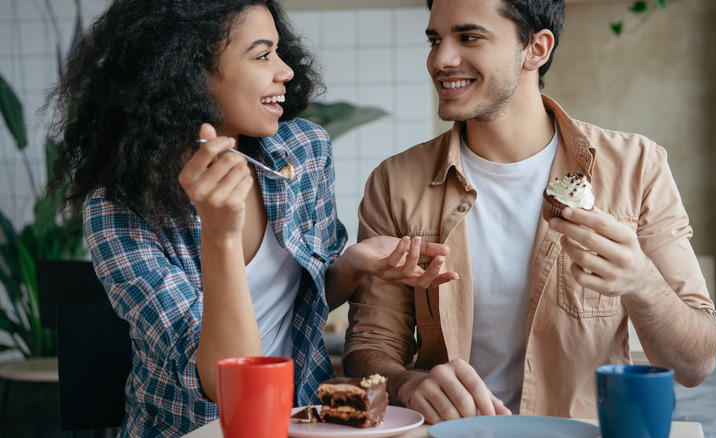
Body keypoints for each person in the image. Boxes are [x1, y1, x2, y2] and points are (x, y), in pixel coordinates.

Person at [44, 0, 456, 436]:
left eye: (279, 51)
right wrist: (221, 234)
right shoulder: (119, 212)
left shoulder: (304, 152)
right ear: (188, 73)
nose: (286, 71)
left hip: (301, 422)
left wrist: (352, 264)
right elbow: (224, 385)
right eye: (262, 55)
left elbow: (303, 304)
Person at [343, 0, 716, 423]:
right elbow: (369, 346)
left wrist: (642, 283)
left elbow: (697, 365)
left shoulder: (637, 168)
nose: (440, 60)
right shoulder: (395, 182)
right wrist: (407, 384)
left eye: (468, 37)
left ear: (536, 49)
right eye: (435, 40)